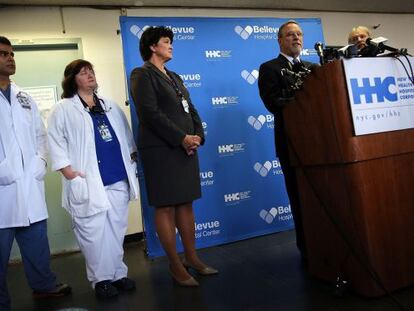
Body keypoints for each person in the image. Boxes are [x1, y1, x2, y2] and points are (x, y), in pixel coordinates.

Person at [129, 26, 218, 287]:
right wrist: (181, 138)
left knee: (186, 203)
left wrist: (198, 135)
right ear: (152, 47)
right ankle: (175, 265)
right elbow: (149, 113)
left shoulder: (174, 77)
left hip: (184, 148)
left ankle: (192, 258)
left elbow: (190, 110)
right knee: (166, 206)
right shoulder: (141, 74)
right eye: (166, 42)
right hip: (161, 150)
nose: (171, 46)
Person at [47, 59, 139, 299]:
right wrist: (68, 172)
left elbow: (127, 137)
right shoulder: (64, 108)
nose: (89, 74)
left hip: (117, 177)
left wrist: (131, 159)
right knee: (93, 234)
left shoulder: (109, 105)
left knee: (116, 230)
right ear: (72, 80)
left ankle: (118, 274)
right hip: (87, 181)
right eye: (82, 72)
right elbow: (55, 142)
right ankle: (101, 280)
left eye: (91, 71)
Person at [0, 36, 71, 311]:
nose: (10, 58)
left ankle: (43, 286)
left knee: (36, 242)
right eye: (3, 54)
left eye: (12, 53)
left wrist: (41, 161)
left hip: (29, 182)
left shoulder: (24, 97)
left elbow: (40, 135)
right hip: (3, 188)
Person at [258, 21, 316, 260]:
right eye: (290, 34)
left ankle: (325, 242)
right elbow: (273, 102)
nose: (296, 38)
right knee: (299, 196)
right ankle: (307, 249)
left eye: (299, 34)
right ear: (280, 40)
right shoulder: (269, 68)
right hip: (291, 143)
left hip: (320, 145)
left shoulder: (315, 68)